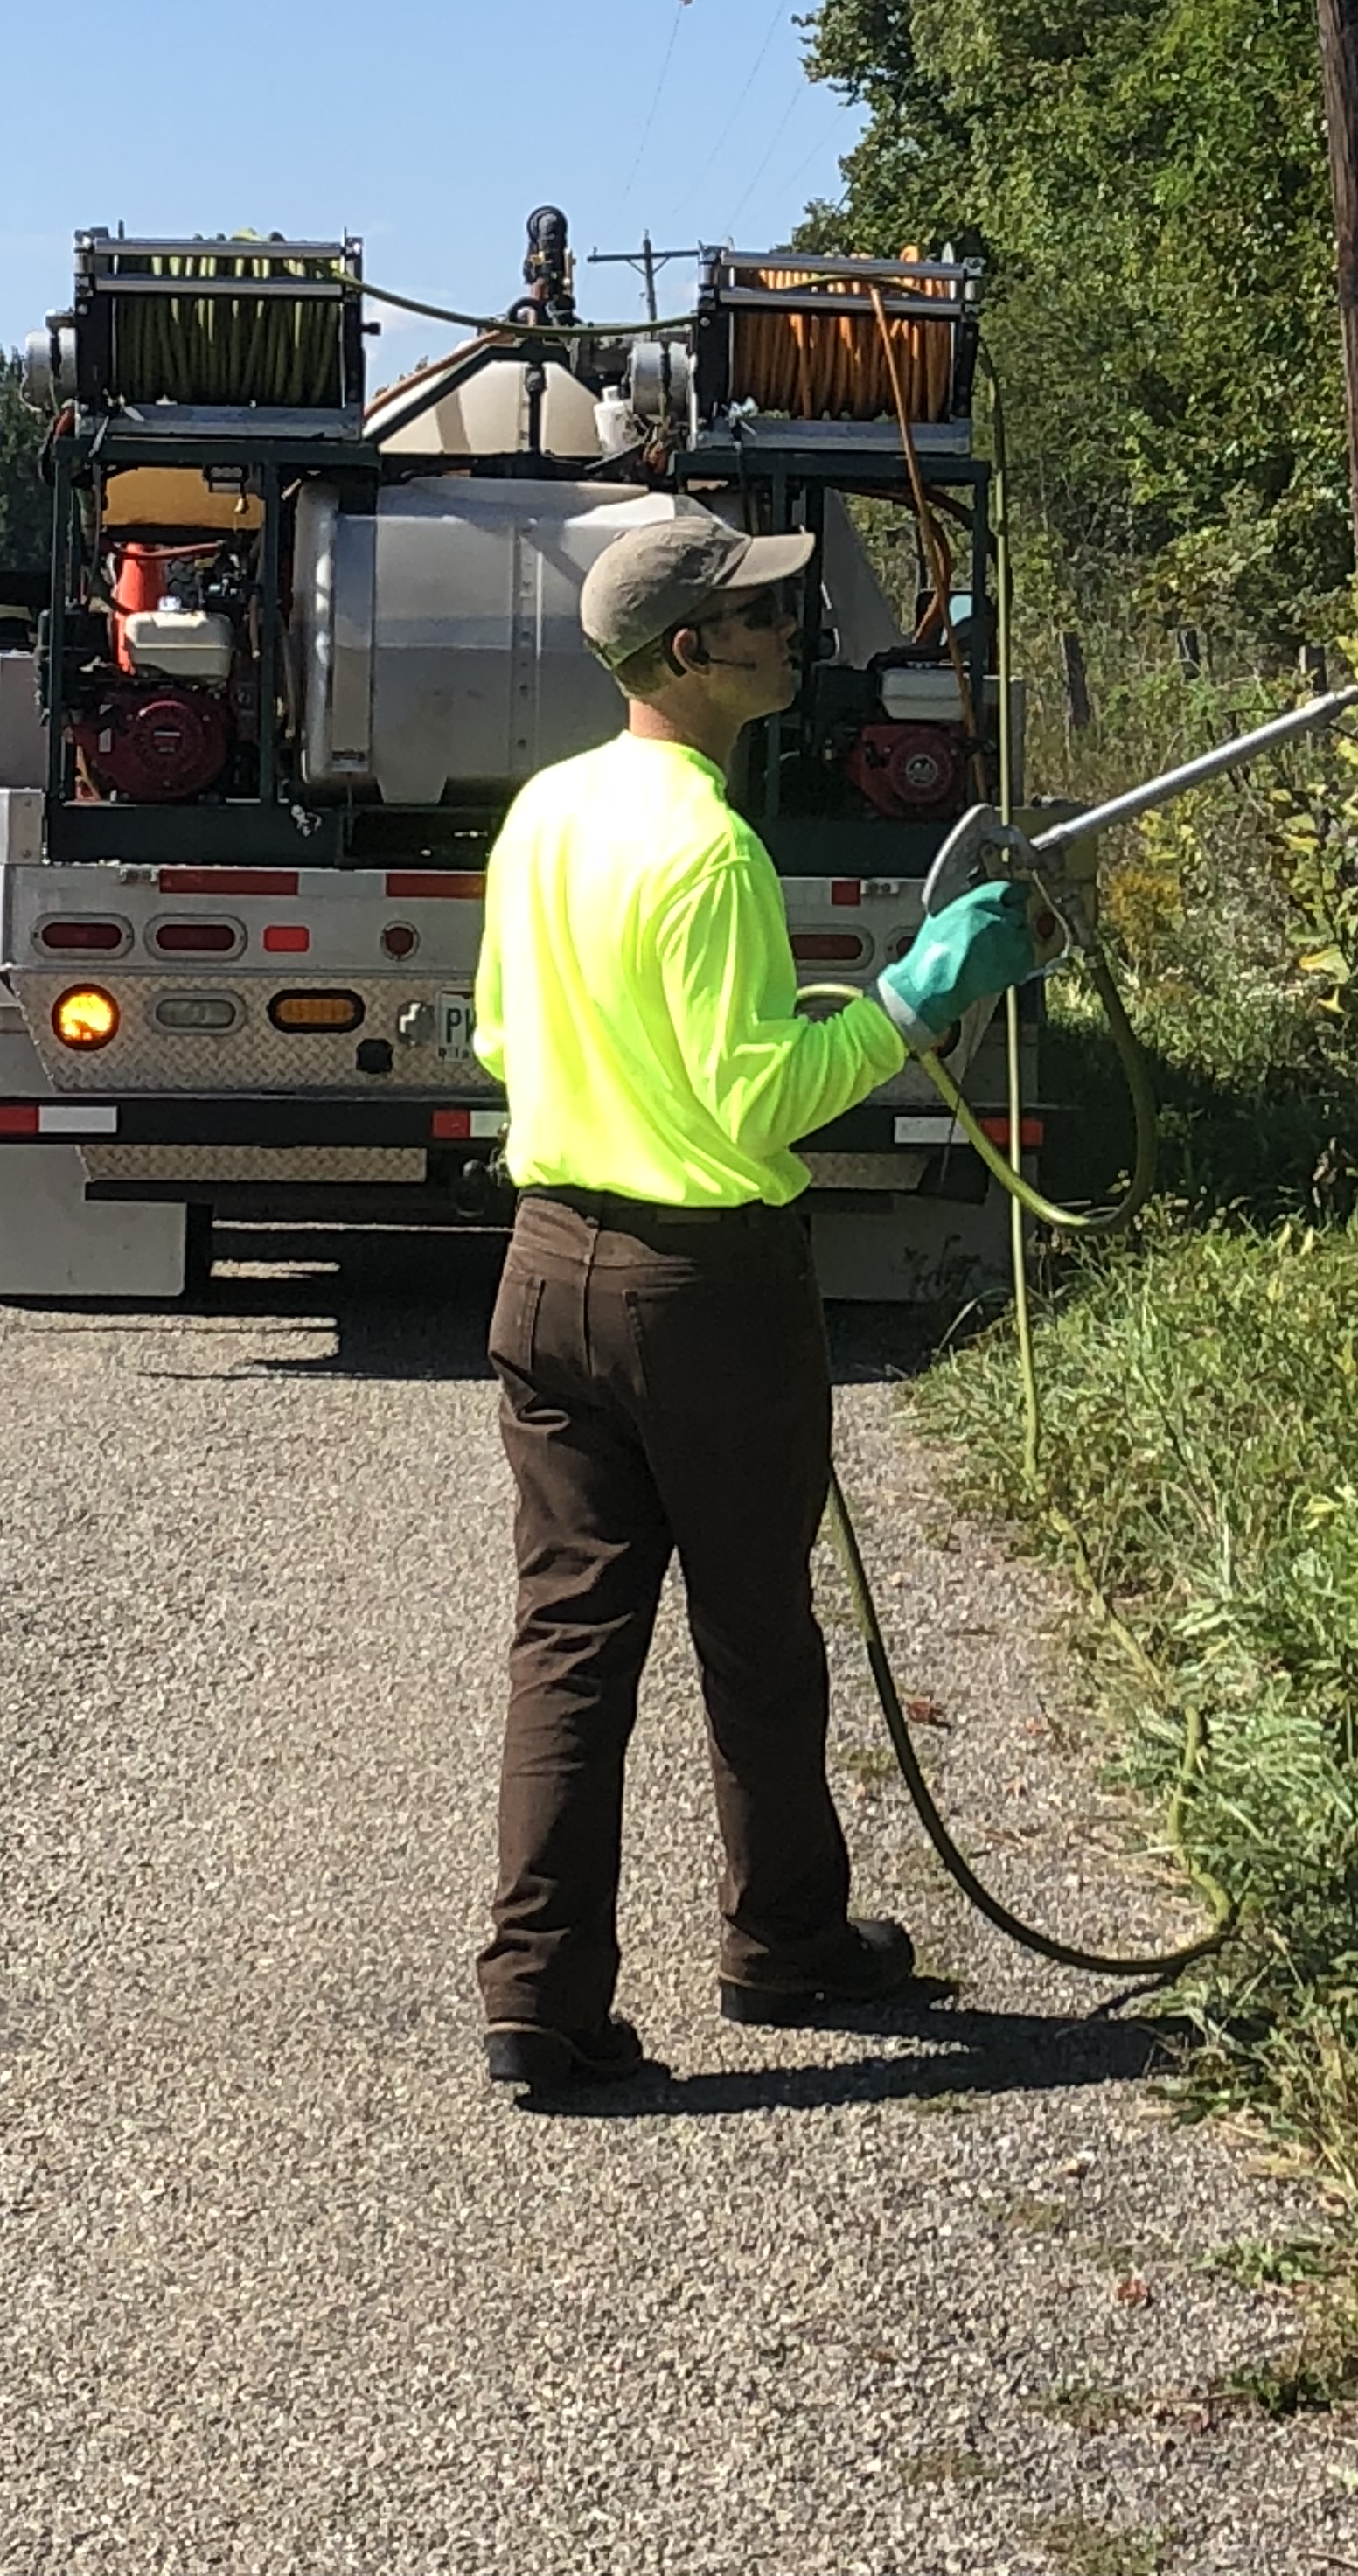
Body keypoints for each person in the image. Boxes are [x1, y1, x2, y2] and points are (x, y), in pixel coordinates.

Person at [469, 503, 1041, 2098]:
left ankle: (539, 2003)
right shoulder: (710, 848)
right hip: (700, 1290)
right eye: (759, 617)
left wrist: (639, 1074)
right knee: (756, 1638)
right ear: (683, 656)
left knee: (569, 1646)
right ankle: (784, 1945)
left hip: (546, 1270)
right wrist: (921, 992)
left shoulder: (545, 814)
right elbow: (754, 1106)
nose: (791, 631)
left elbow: (506, 1040)